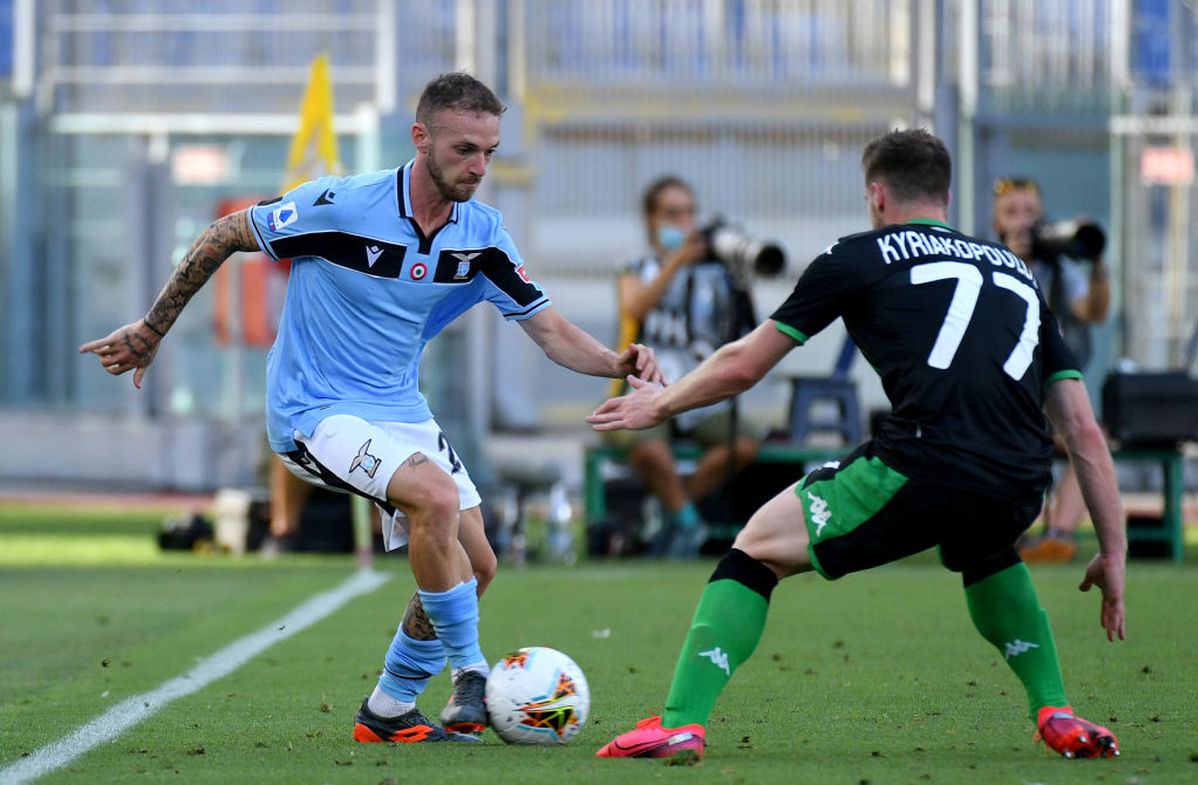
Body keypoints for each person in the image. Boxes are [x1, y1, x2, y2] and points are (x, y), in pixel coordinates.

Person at [80, 72, 661, 745]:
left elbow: (551, 329)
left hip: (398, 408)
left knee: (478, 568)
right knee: (436, 499)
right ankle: (470, 672)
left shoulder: (483, 234)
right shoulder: (342, 205)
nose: (477, 167)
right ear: (421, 138)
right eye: (463, 149)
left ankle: (388, 709)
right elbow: (223, 234)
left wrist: (617, 363)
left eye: (488, 153)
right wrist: (152, 328)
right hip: (313, 409)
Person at [588, 129, 1126, 762]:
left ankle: (680, 722)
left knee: (755, 548)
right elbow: (1084, 432)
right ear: (947, 195)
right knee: (986, 548)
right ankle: (1055, 711)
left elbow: (743, 365)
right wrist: (1113, 550)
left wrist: (663, 401)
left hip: (923, 460)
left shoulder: (859, 254)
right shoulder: (1018, 274)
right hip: (1020, 479)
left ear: (876, 195)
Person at [612, 176, 760, 557]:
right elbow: (635, 308)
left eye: (690, 212)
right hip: (645, 385)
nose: (685, 222)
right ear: (651, 219)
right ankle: (689, 525)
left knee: (744, 441)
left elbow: (744, 330)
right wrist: (675, 262)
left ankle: (672, 509)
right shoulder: (636, 267)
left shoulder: (716, 274)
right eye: (673, 213)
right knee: (648, 449)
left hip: (698, 390)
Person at [992, 178, 1111, 563]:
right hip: (1002, 400)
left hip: (1049, 397)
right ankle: (1008, 531)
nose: (1024, 222)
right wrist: (1010, 258)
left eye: (1031, 212)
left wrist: (1095, 262)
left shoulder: (1060, 268)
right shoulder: (985, 261)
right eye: (1013, 212)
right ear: (997, 221)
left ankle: (1058, 535)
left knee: (1091, 438)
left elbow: (1093, 313)